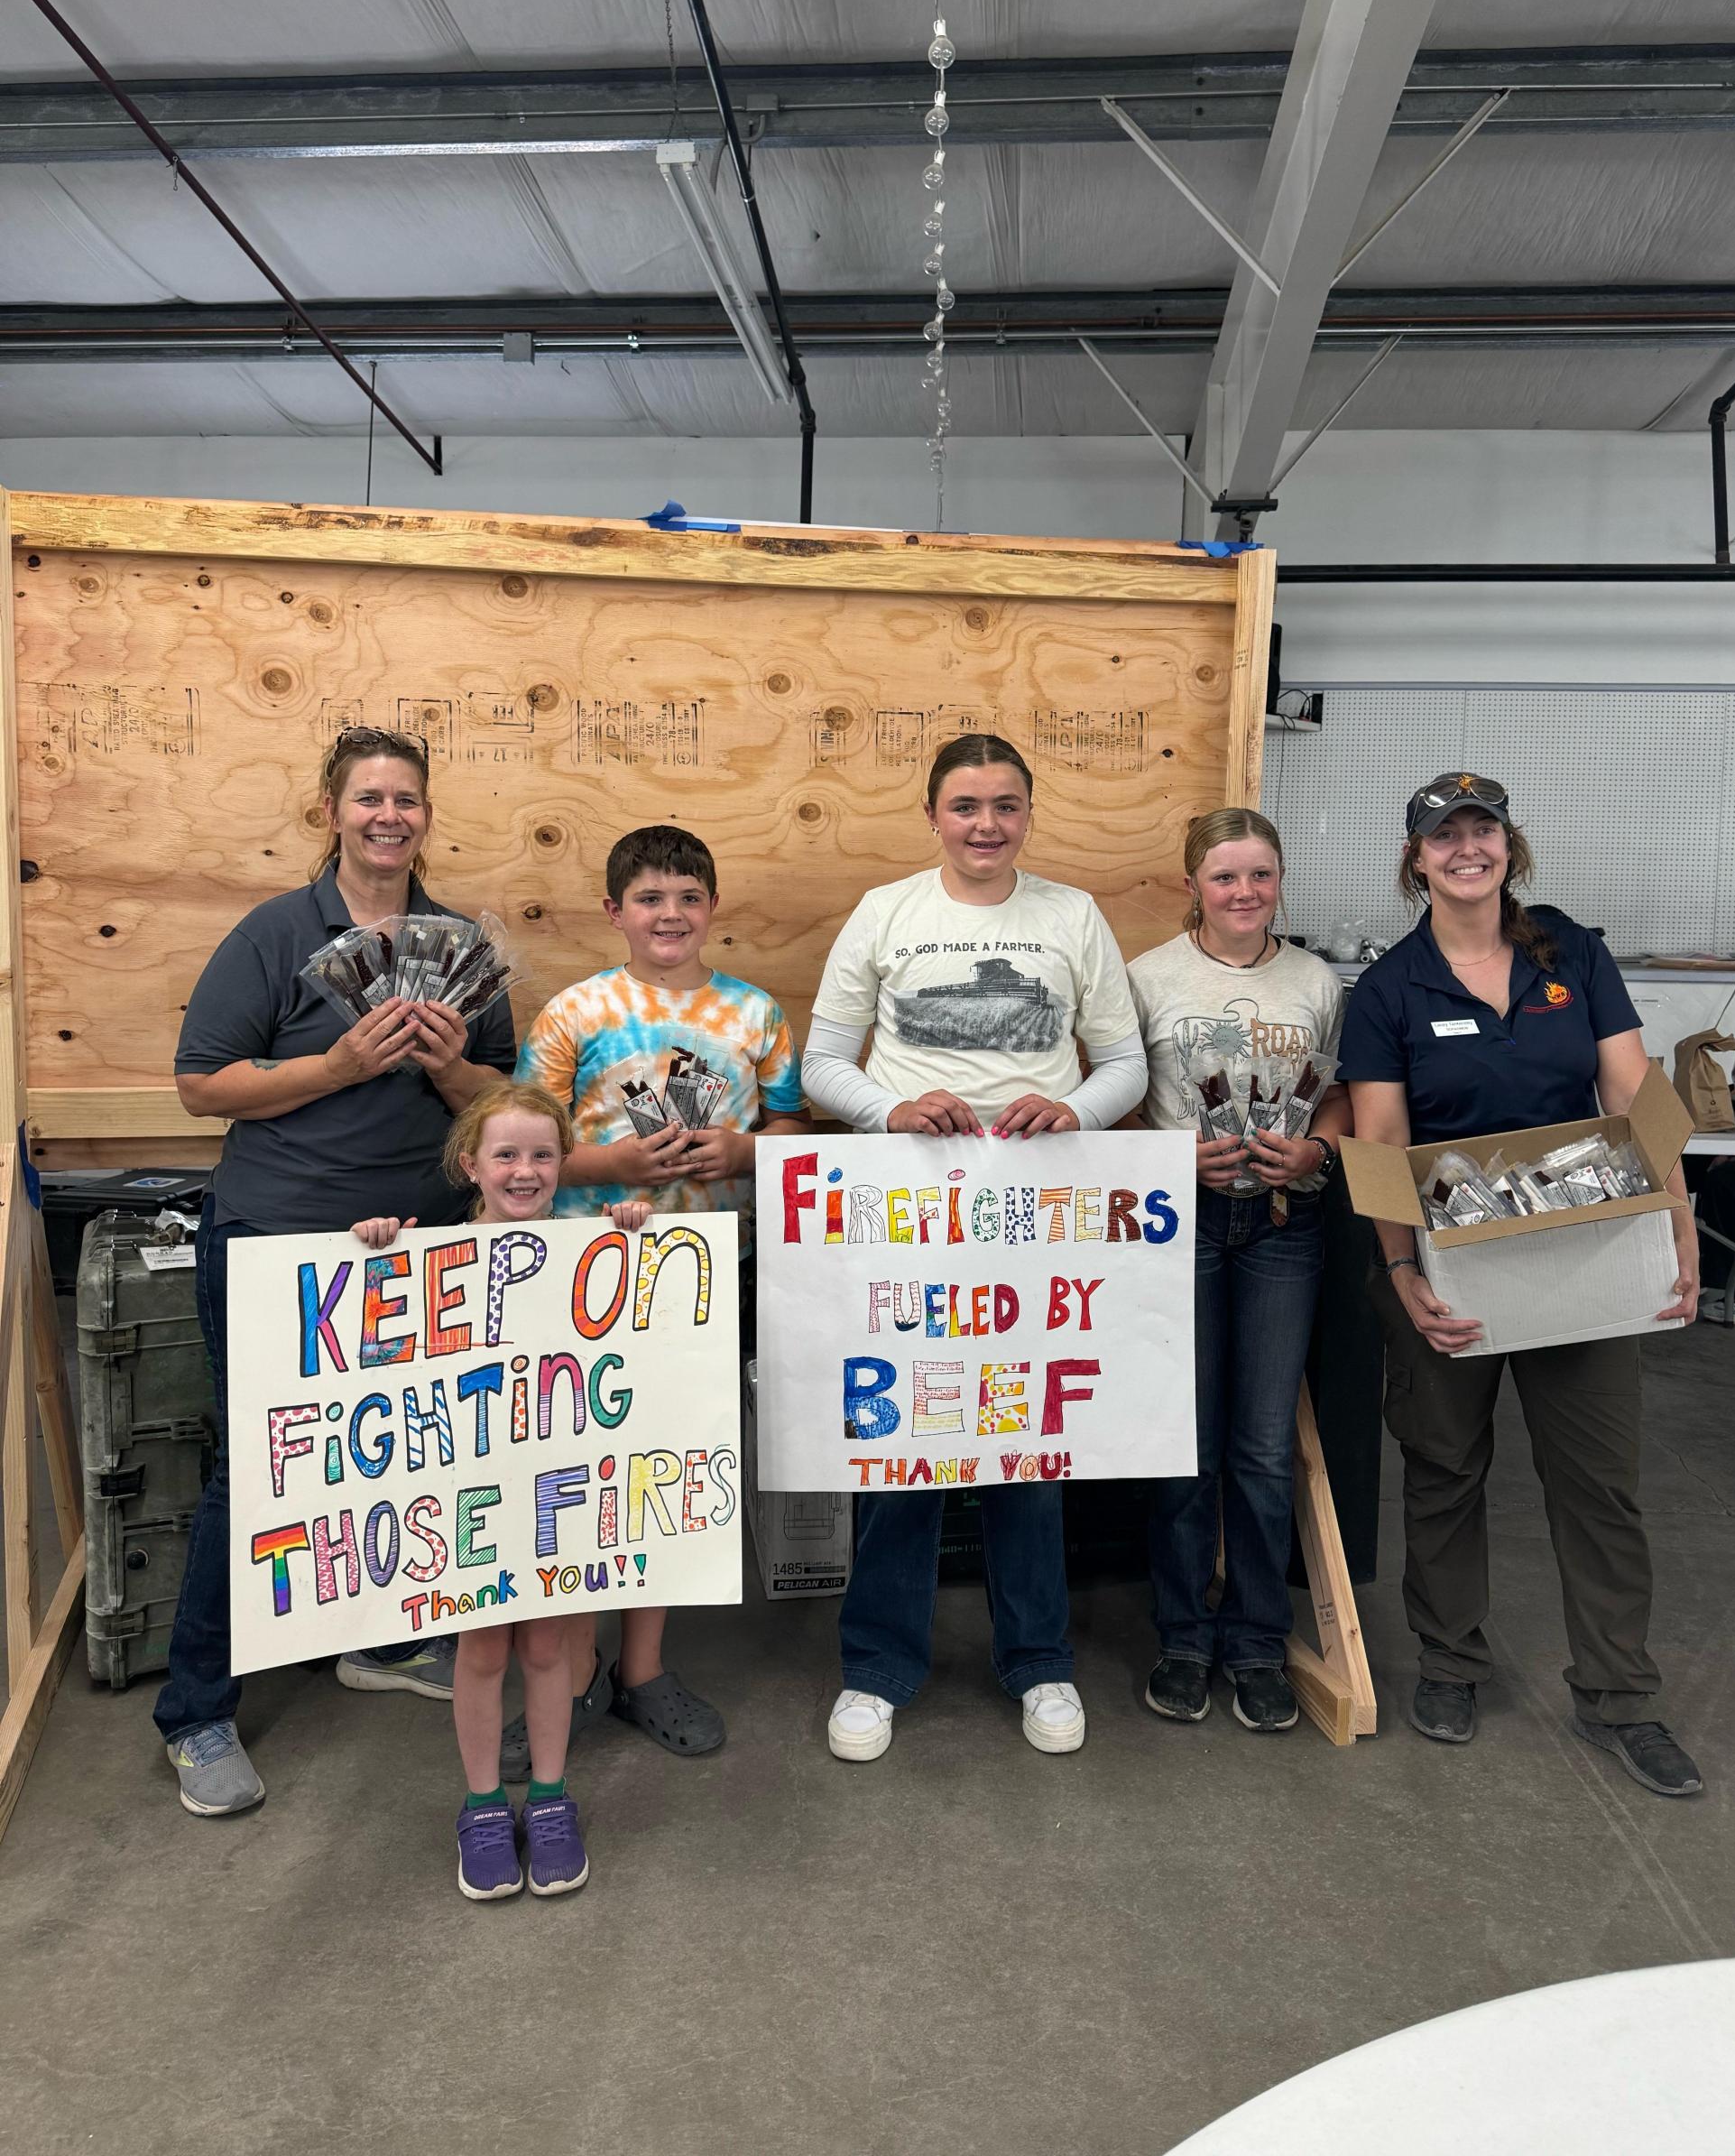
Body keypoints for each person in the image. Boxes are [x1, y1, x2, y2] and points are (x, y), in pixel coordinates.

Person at [159, 725, 515, 1817]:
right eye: (369, 797)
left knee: (407, 1459)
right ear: (332, 811)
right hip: (280, 1238)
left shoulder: (456, 941)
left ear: (424, 815)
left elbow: (499, 1104)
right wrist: (337, 1063)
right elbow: (200, 1086)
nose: (389, 815)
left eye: (407, 798)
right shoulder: (276, 932)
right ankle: (195, 1712)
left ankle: (382, 1641)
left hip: (420, 1244)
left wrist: (449, 1063)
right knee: (258, 1473)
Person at [1343, 772, 1703, 1797]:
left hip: (1582, 1247)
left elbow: (1635, 1089)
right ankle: (1452, 1663)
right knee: (1444, 1466)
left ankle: (1620, 1695)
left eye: (1483, 828)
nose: (1467, 846)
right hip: (1452, 1260)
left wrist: (1679, 1221)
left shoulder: (1571, 951)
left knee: (1599, 1482)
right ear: (1416, 858)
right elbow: (1379, 1137)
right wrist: (1402, 1268)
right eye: (1443, 834)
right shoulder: (1388, 990)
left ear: (1510, 844)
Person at [802, 733, 1148, 1761]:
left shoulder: (1070, 915)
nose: (985, 823)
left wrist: (1076, 1108)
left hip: (1032, 1216)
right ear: (934, 815)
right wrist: (891, 1106)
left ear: (1028, 814)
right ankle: (876, 1668)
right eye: (965, 805)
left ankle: (1040, 1660)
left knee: (1024, 1441)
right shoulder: (888, 910)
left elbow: (1124, 1061)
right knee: (901, 1437)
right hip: (908, 1211)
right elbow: (822, 1061)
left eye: (1005, 804)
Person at [511, 823, 808, 1770]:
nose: (669, 914)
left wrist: (745, 1150)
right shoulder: (574, 1012)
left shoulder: (755, 1013)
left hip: (713, 1275)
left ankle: (644, 1669)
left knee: (671, 1476)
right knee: (586, 1473)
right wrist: (613, 1160)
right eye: (649, 898)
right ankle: (577, 1666)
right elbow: (528, 1143)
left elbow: (793, 1122)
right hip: (590, 1276)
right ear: (615, 912)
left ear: (711, 907)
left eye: (687, 897)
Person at [352, 1081, 650, 1900]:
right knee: (481, 1651)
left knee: (553, 1647)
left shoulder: (591, 1253)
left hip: (560, 1494)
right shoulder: (425, 1256)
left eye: (543, 1155)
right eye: (507, 1155)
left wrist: (629, 1233)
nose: (525, 1171)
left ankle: (549, 1796)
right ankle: (484, 1805)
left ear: (565, 1164)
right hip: (468, 1497)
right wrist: (376, 1245)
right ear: (469, 1165)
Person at [1128, 808, 1350, 1733]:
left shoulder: (1316, 980)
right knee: (1186, 1440)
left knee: (1261, 1446)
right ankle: (1183, 1634)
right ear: (1192, 884)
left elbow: (1338, 1097)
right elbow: (1113, 1099)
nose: (1245, 892)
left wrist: (1317, 1155)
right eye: (1225, 877)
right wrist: (1174, 1157)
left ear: (1281, 879)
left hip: (1282, 1226)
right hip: (1180, 1224)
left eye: (1262, 874)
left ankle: (1258, 1639)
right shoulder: (1146, 978)